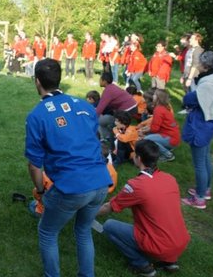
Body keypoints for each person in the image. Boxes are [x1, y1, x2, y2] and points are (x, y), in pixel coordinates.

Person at [25, 58, 112, 277]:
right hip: (101, 181)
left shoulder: (37, 115)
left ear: (37, 82)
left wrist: (42, 191)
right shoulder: (84, 105)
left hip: (72, 187)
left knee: (47, 231)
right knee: (83, 231)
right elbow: (94, 139)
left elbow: (35, 165)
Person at [98, 140, 190, 276]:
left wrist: (83, 212)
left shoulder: (137, 185)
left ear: (138, 158)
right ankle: (169, 261)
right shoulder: (170, 178)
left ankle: (142, 266)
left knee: (109, 226)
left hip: (159, 245)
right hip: (181, 241)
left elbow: (109, 207)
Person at [181, 51, 213, 209]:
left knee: (199, 164)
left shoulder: (208, 84)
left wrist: (188, 95)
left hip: (201, 125)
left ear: (206, 66)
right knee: (206, 158)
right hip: (210, 123)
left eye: (200, 63)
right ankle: (205, 189)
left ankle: (199, 198)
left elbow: (191, 99)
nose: (198, 65)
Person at [96, 72, 138, 142]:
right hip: (132, 107)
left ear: (104, 81)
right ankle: (110, 138)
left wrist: (90, 118)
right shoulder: (112, 87)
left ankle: (110, 139)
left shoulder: (108, 91)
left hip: (127, 110)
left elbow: (99, 109)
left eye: (100, 79)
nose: (99, 81)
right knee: (107, 120)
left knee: (106, 123)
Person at [142, 89, 180, 162]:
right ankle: (167, 148)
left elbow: (154, 129)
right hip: (173, 136)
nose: (153, 96)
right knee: (148, 136)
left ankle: (168, 155)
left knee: (146, 139)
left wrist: (145, 130)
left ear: (158, 98)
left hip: (170, 138)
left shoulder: (158, 110)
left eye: (155, 95)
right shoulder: (164, 107)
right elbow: (156, 125)